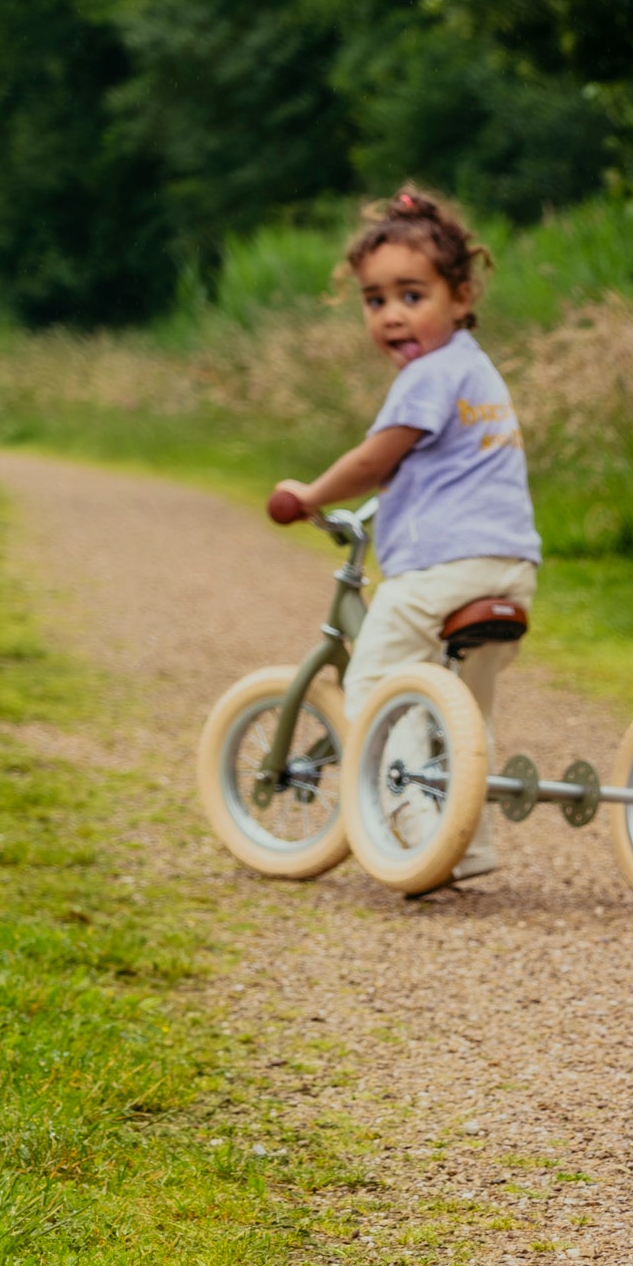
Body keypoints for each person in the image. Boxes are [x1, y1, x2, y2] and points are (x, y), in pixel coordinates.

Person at [270, 187, 541, 890]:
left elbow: (376, 460)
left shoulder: (427, 375)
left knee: (376, 687)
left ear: (460, 296)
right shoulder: (475, 369)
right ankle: (464, 848)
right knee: (464, 719)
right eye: (375, 300)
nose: (392, 314)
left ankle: (409, 832)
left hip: (442, 569)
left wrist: (309, 497)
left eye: (412, 296)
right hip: (510, 567)